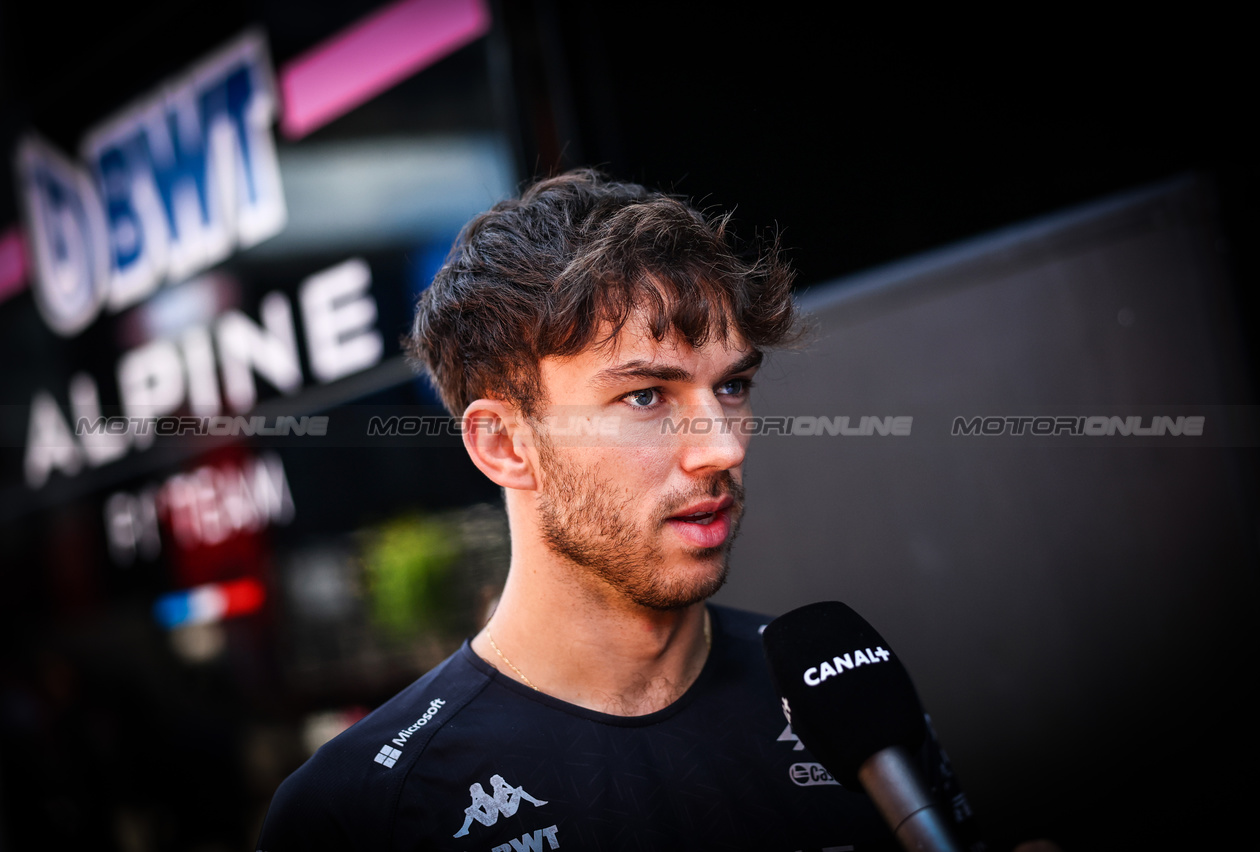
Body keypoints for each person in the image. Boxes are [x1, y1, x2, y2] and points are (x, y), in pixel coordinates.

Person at [256, 169, 983, 851]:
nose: (723, 447)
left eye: (732, 387)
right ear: (507, 444)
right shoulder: (360, 809)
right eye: (646, 397)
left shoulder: (843, 691)